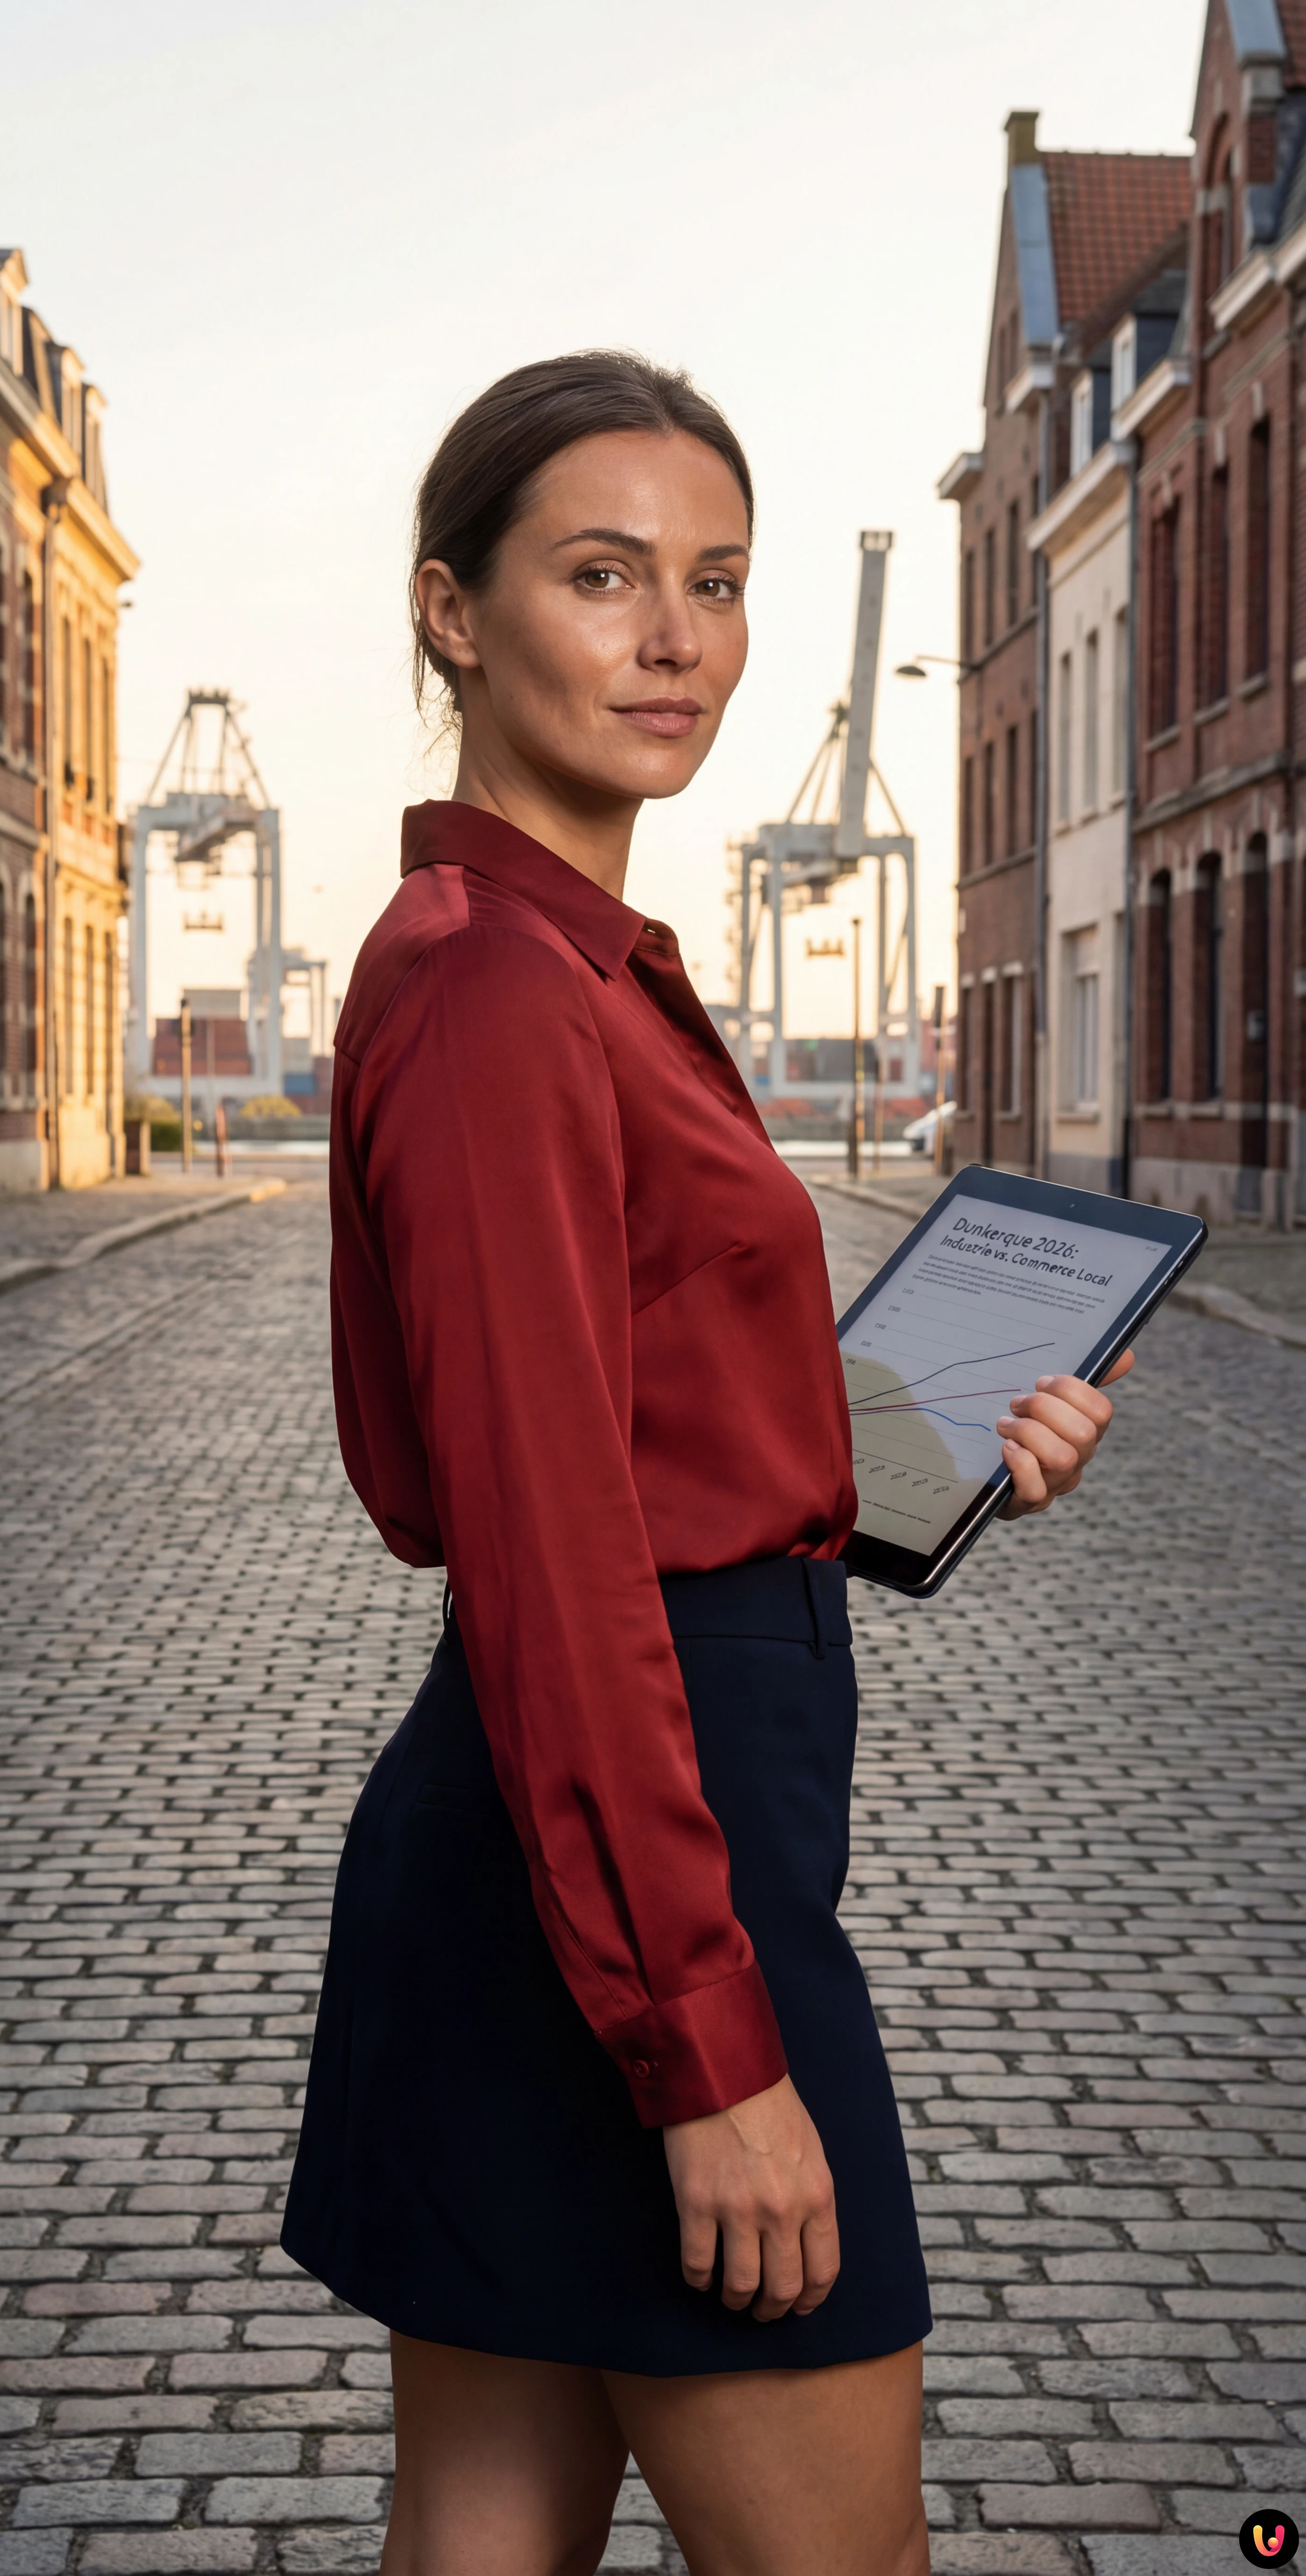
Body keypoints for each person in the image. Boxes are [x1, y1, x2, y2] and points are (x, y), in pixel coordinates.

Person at [281, 351, 1131, 2576]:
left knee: (487, 2540)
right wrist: (709, 2051)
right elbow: (554, 1559)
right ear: (453, 611)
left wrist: (934, 1449)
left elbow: (641, 1431)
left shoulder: (554, 960)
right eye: (603, 574)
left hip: (560, 1858)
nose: (678, 639)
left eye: (721, 581)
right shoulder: (501, 990)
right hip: (647, 1873)